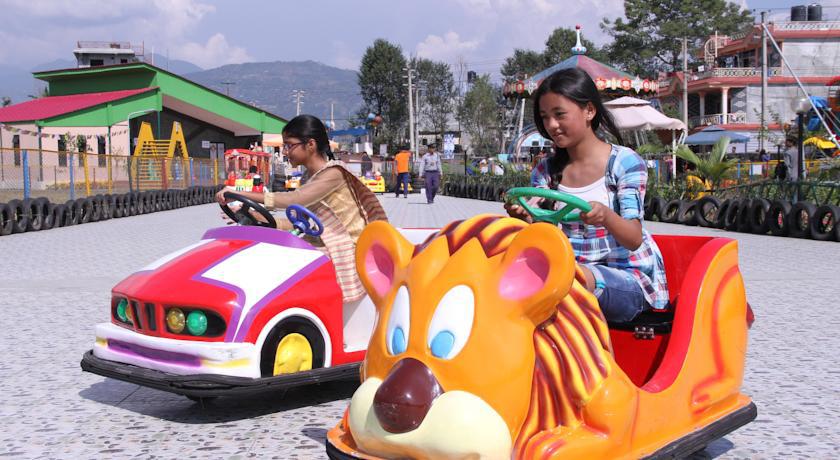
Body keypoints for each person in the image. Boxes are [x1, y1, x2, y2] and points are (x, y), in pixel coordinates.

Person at [504, 68, 668, 323]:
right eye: (545, 117)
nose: (551, 126)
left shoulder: (624, 163)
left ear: (589, 111)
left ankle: (598, 362)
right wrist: (525, 217)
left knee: (573, 280)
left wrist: (606, 216)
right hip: (567, 273)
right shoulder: (545, 172)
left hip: (626, 279)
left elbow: (634, 238)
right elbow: (543, 234)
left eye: (559, 115)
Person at [215, 115, 388, 302]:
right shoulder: (308, 178)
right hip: (323, 243)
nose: (285, 152)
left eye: (289, 145)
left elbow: (294, 199)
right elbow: (300, 224)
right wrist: (254, 218)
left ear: (310, 145)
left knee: (281, 265)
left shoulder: (334, 173)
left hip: (348, 250)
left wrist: (242, 193)